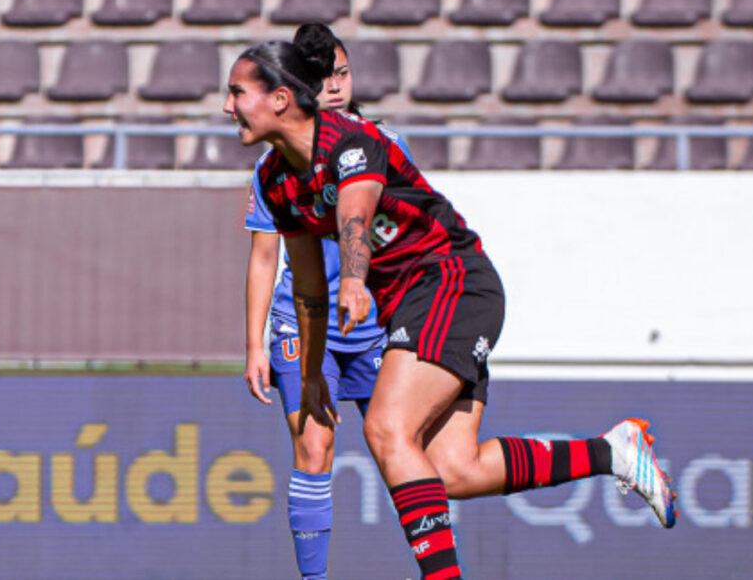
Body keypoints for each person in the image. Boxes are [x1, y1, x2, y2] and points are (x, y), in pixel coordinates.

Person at [226, 30, 677, 580]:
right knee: (452, 470)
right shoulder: (276, 180)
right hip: (416, 303)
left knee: (388, 431)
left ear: (278, 99)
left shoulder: (353, 142)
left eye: (236, 93)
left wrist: (354, 276)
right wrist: (316, 371)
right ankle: (613, 452)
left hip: (449, 281)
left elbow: (356, 215)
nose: (227, 107)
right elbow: (306, 288)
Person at [243, 23, 412, 580]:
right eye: (323, 76)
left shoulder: (381, 145)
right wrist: (253, 346)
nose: (335, 86)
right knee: (313, 450)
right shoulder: (277, 166)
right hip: (305, 323)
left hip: (374, 326)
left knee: (408, 458)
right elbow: (265, 258)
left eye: (343, 73)